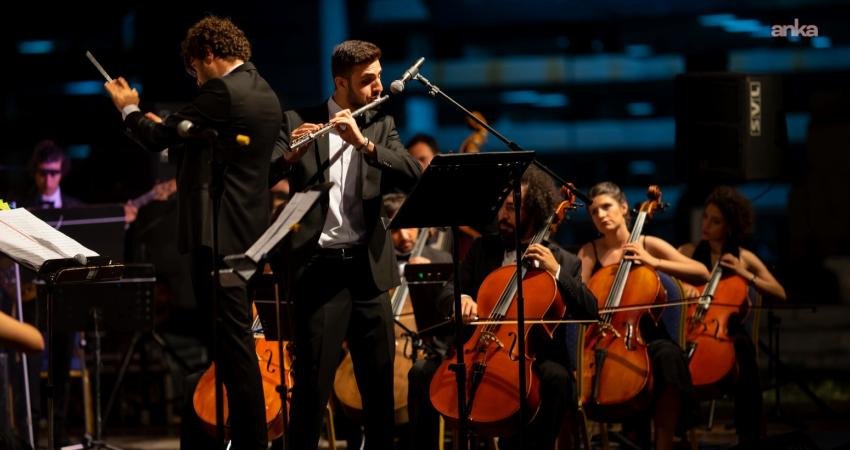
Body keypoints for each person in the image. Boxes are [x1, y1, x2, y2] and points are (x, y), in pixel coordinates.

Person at [103, 15, 281, 450]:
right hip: (248, 236)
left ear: (206, 56)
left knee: (236, 355)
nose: (196, 80)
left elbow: (160, 134)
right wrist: (170, 128)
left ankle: (250, 441)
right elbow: (189, 136)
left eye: (194, 70)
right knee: (236, 351)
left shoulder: (223, 90)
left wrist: (127, 107)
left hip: (219, 239)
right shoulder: (264, 91)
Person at [270, 40, 422, 450]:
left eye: (378, 76)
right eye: (367, 80)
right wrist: (289, 156)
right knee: (311, 390)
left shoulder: (379, 125)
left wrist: (364, 145)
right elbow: (261, 178)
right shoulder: (296, 119)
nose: (378, 86)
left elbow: (412, 172)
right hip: (319, 271)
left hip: (368, 270)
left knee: (379, 390)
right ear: (341, 82)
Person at [408, 166, 599, 450]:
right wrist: (459, 299)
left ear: (533, 212)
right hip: (477, 347)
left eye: (511, 209)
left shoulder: (562, 260)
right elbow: (448, 291)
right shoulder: (482, 248)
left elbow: (589, 310)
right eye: (502, 207)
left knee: (557, 380)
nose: (502, 216)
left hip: (530, 356)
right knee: (421, 372)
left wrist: (555, 272)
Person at [577, 181, 710, 450]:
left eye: (606, 207)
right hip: (606, 337)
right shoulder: (589, 252)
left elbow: (702, 273)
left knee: (667, 357)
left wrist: (655, 263)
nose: (601, 215)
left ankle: (663, 444)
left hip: (645, 334)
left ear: (624, 207)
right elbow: (579, 298)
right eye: (594, 212)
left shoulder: (647, 242)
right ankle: (634, 439)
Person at [678, 185, 786, 444]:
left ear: (730, 226)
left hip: (726, 332)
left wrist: (744, 273)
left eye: (715, 221)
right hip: (693, 325)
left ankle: (750, 437)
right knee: (672, 357)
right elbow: (668, 283)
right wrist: (682, 286)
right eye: (705, 217)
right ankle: (680, 429)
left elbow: (779, 292)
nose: (706, 225)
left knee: (745, 353)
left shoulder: (744, 257)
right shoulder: (689, 252)